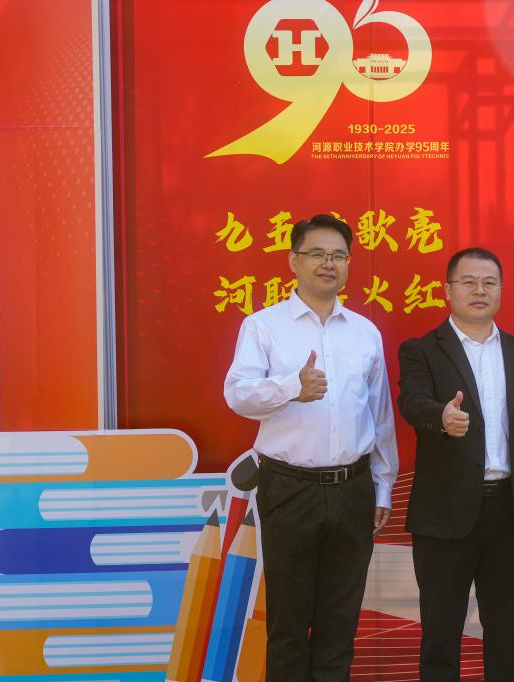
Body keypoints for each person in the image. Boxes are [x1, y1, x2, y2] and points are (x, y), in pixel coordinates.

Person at [223, 214, 399, 682]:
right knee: (287, 624)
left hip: (352, 488)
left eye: (339, 255)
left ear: (348, 264)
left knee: (339, 625)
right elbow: (237, 394)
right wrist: (290, 388)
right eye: (317, 253)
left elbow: (380, 417)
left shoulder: (364, 332)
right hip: (289, 488)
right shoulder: (263, 327)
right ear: (293, 261)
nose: (328, 264)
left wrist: (382, 487)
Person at [397, 247, 514, 681]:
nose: (479, 290)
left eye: (489, 282)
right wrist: (440, 417)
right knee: (440, 633)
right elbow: (412, 401)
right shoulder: (421, 350)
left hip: (510, 512)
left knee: (507, 632)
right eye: (468, 282)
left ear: (501, 290)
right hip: (444, 514)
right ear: (448, 290)